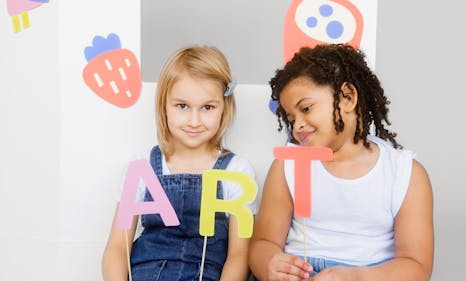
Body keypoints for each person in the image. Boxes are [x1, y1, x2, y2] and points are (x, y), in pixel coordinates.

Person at [249, 44, 433, 281]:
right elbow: (263, 243)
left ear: (348, 97)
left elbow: (416, 267)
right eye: (291, 118)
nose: (297, 126)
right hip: (300, 272)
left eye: (306, 108)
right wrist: (270, 265)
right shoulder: (289, 165)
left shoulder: (405, 173)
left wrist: (354, 277)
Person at [102, 45, 256, 281]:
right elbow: (117, 247)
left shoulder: (238, 171)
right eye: (182, 106)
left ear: (224, 108)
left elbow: (239, 255)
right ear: (164, 106)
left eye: (207, 107)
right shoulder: (141, 166)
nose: (194, 121)